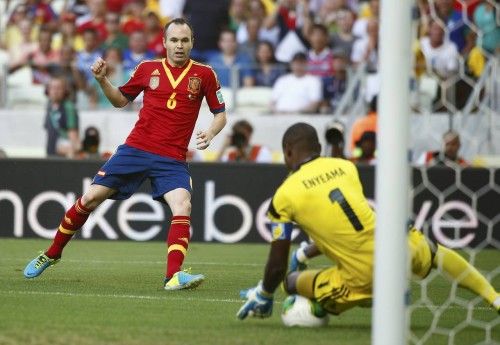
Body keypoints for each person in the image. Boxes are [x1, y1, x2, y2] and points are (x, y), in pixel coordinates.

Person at [24, 18, 228, 291]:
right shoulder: (147, 68)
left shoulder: (205, 75)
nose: (179, 46)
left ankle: (173, 277)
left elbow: (220, 115)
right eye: (174, 40)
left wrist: (212, 133)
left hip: (172, 158)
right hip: (136, 149)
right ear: (165, 43)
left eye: (185, 40)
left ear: (192, 43)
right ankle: (51, 253)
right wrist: (101, 80)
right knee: (90, 197)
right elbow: (120, 100)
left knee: (183, 205)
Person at [236, 122, 500, 320]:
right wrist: (305, 251)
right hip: (399, 251)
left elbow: (276, 266)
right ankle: (494, 297)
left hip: (365, 274)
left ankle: (322, 306)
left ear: (288, 151)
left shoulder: (285, 194)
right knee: (435, 252)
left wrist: (265, 294)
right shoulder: (346, 168)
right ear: (318, 148)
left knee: (290, 282)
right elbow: (350, 224)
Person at [44, 76, 80, 158]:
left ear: (65, 90)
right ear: (48, 90)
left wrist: (71, 151)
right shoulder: (49, 106)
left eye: (58, 88)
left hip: (62, 156)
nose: (55, 91)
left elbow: (72, 134)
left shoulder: (68, 107)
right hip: (50, 154)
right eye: (52, 88)